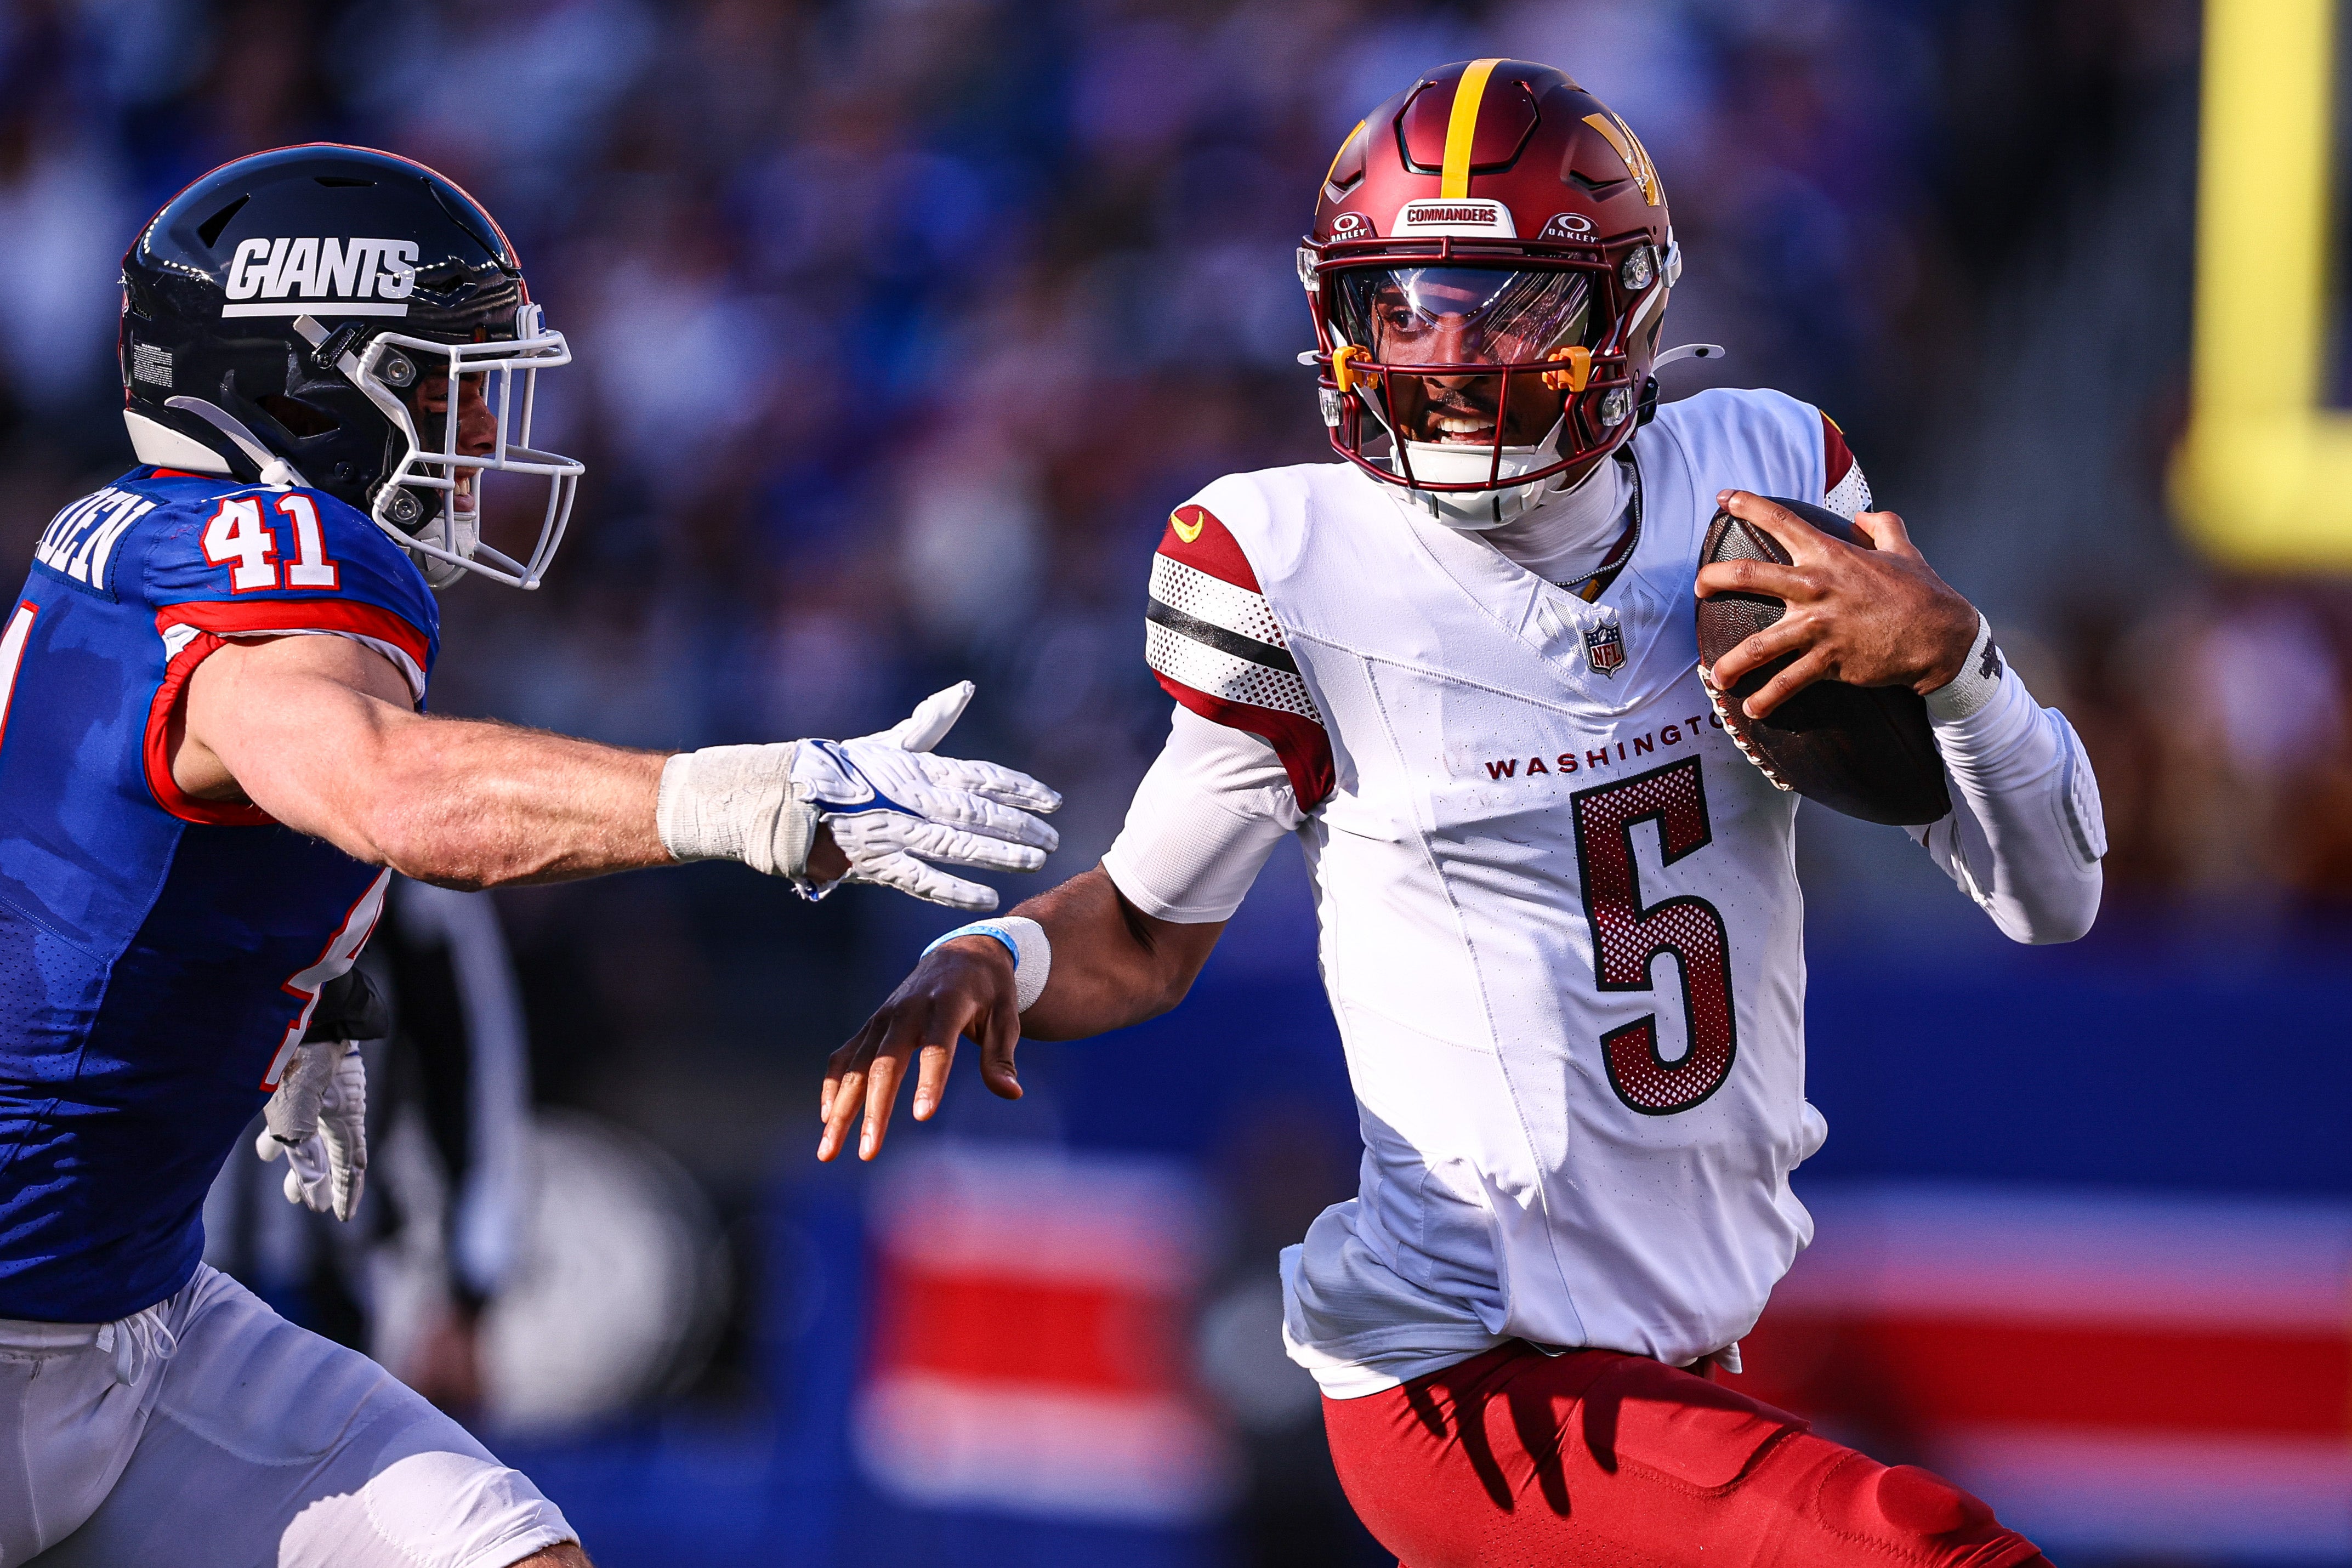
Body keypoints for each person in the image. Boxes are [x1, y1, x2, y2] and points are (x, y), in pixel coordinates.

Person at [821, 60, 2100, 1567]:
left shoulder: (1762, 478)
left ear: (1619, 307)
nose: (1442, 351)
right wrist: (999, 959)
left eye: (1503, 303)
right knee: (1922, 1547)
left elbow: (2049, 895)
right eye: (1402, 304)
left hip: (1683, 1356)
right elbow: (1151, 924)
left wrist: (1959, 669)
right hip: (1468, 1383)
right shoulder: (1295, 565)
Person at [0, 145, 1060, 1568]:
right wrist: (746, 796)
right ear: (307, 384)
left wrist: (287, 979)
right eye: (443, 381)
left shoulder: (122, 534)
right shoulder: (278, 560)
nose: (478, 429)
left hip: (130, 1306)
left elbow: (118, 810)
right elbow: (381, 787)